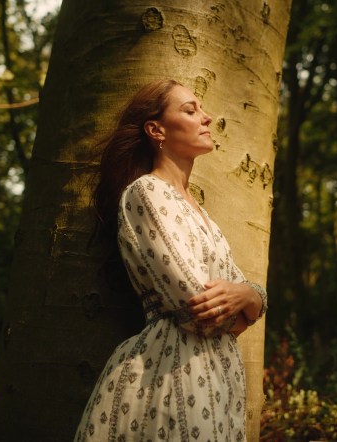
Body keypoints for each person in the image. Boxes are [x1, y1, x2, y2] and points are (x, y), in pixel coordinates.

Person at [74, 79, 268, 441]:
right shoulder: (146, 193)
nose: (207, 118)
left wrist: (251, 297)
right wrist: (245, 302)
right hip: (176, 372)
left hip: (222, 379)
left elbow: (245, 296)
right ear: (156, 129)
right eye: (191, 110)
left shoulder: (204, 216)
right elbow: (196, 306)